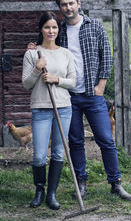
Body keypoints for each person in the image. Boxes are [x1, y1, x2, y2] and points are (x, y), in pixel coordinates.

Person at [28, 0, 131, 201]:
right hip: (68, 96)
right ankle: (81, 182)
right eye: (63, 5)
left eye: (71, 3)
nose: (68, 8)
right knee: (75, 141)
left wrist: (101, 84)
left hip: (93, 95)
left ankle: (116, 183)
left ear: (79, 3)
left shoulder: (95, 27)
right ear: (60, 8)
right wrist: (32, 46)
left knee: (105, 139)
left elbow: (107, 55)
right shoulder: (60, 30)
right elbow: (45, 43)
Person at [22, 11, 76, 210]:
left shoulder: (66, 54)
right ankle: (39, 191)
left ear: (58, 29)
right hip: (41, 108)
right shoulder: (32, 53)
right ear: (41, 29)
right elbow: (26, 84)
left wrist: (56, 79)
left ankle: (52, 194)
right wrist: (37, 68)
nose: (51, 31)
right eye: (47, 27)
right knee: (38, 155)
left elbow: (73, 82)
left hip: (63, 108)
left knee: (58, 153)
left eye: (54, 27)